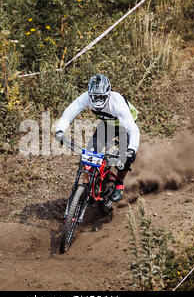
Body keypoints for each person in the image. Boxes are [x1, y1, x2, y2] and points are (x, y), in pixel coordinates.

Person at [55, 74, 140, 202]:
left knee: (124, 156)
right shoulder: (86, 97)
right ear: (90, 94)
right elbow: (68, 114)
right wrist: (60, 131)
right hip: (107, 125)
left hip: (124, 125)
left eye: (101, 97)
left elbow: (133, 130)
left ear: (108, 94)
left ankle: (119, 184)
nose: (98, 100)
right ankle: (85, 185)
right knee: (90, 151)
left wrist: (132, 149)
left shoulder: (117, 104)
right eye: (94, 96)